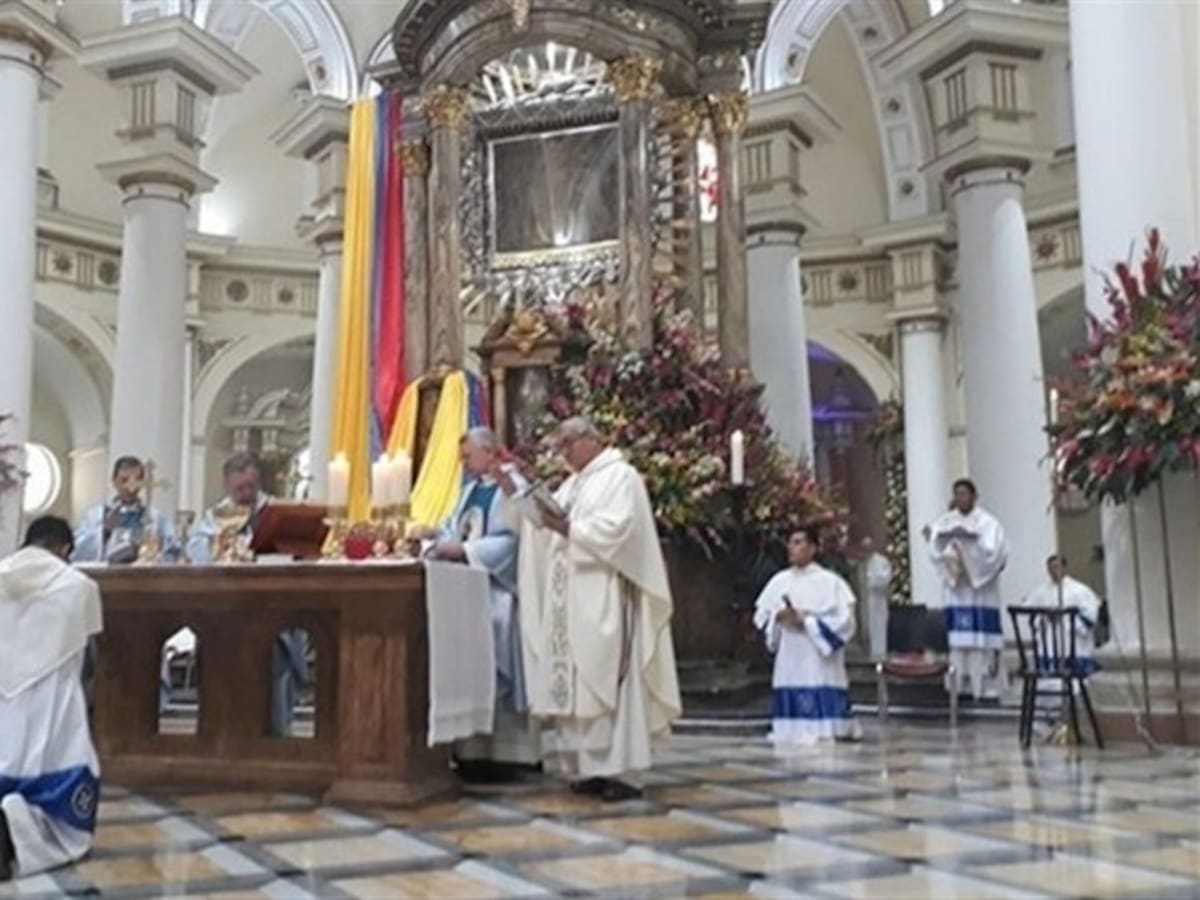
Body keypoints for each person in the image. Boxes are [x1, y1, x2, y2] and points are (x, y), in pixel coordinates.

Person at [518, 417, 681, 802]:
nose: (563, 452)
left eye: (569, 443)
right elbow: (552, 531)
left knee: (607, 678)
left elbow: (619, 529)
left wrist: (568, 528)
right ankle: (587, 768)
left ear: (592, 440)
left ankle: (622, 771)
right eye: (560, 445)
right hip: (569, 597)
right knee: (574, 682)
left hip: (606, 593)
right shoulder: (572, 484)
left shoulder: (620, 477)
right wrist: (537, 522)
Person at [411, 427, 537, 782]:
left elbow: (515, 540)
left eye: (468, 456)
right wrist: (434, 534)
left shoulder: (513, 486)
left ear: (488, 451)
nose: (464, 463)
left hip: (498, 592)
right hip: (466, 593)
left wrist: (465, 551)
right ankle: (470, 751)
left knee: (497, 656)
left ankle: (506, 754)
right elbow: (456, 528)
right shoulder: (470, 490)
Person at [0, 516, 102, 881]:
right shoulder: (79, 586)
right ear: (65, 549)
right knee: (64, 773)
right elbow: (89, 655)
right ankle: (20, 833)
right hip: (53, 701)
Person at [189, 453, 307, 737]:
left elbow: (296, 548)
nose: (245, 494)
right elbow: (196, 551)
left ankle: (277, 734)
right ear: (227, 485)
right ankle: (223, 732)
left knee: (275, 671)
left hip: (272, 606)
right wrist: (223, 543)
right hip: (226, 611)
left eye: (250, 487)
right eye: (238, 488)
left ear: (258, 482)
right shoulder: (215, 517)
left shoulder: (276, 511)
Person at [753, 526, 862, 746]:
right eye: (791, 543)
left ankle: (825, 727)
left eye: (798, 542)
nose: (792, 548)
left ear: (813, 548)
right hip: (790, 649)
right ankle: (790, 728)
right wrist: (779, 617)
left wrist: (808, 621)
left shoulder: (831, 582)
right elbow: (763, 617)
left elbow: (845, 622)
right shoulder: (779, 581)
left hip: (816, 651)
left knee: (817, 677)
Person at [925, 478, 1009, 700]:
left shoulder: (989, 523)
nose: (960, 498)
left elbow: (995, 555)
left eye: (965, 494)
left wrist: (969, 552)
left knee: (979, 643)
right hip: (958, 589)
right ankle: (957, 687)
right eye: (957, 494)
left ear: (974, 496)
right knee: (957, 643)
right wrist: (951, 555)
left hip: (980, 592)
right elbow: (935, 550)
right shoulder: (945, 522)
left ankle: (984, 688)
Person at [73, 455, 174, 563]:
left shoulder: (155, 517)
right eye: (124, 480)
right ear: (114, 481)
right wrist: (104, 532)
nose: (131, 487)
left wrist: (158, 546)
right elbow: (78, 550)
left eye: (138, 480)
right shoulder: (96, 516)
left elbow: (171, 549)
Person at [1023, 554, 1103, 675]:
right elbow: (1028, 609)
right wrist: (1045, 617)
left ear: (1064, 568)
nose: (1053, 571)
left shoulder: (1079, 590)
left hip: (1071, 637)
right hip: (1050, 636)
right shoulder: (1041, 591)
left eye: (1056, 567)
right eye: (1050, 568)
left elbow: (1090, 613)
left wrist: (1066, 618)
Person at [858, 536, 893, 660]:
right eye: (864, 547)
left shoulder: (881, 561)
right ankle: (868, 651)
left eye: (868, 546)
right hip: (865, 600)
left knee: (878, 626)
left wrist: (873, 581)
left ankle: (879, 654)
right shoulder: (862, 562)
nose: (866, 549)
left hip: (877, 598)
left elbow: (885, 578)